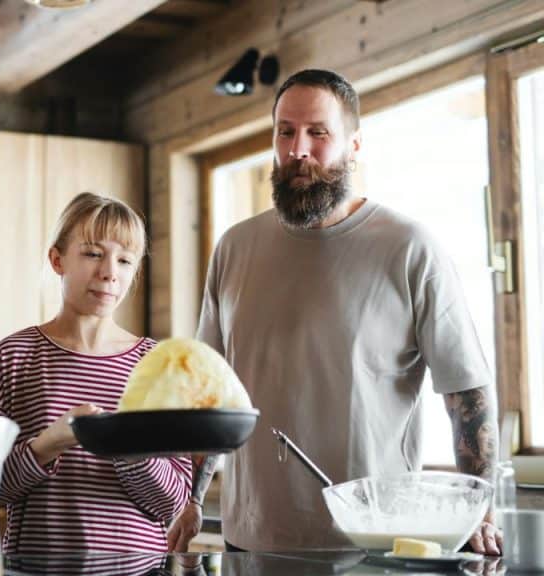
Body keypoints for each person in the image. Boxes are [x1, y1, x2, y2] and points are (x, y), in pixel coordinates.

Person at [166, 69, 501, 554]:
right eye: (285, 131)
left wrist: (479, 514)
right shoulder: (233, 249)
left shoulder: (410, 248)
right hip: (252, 542)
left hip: (372, 545)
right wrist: (193, 498)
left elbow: (467, 393)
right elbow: (210, 396)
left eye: (318, 133)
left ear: (354, 145)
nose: (298, 148)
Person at [0, 192, 192, 555]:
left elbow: (172, 503)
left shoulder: (156, 365)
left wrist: (126, 447)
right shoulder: (16, 354)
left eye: (125, 260)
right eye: (93, 253)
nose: (109, 272)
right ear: (57, 259)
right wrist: (50, 443)